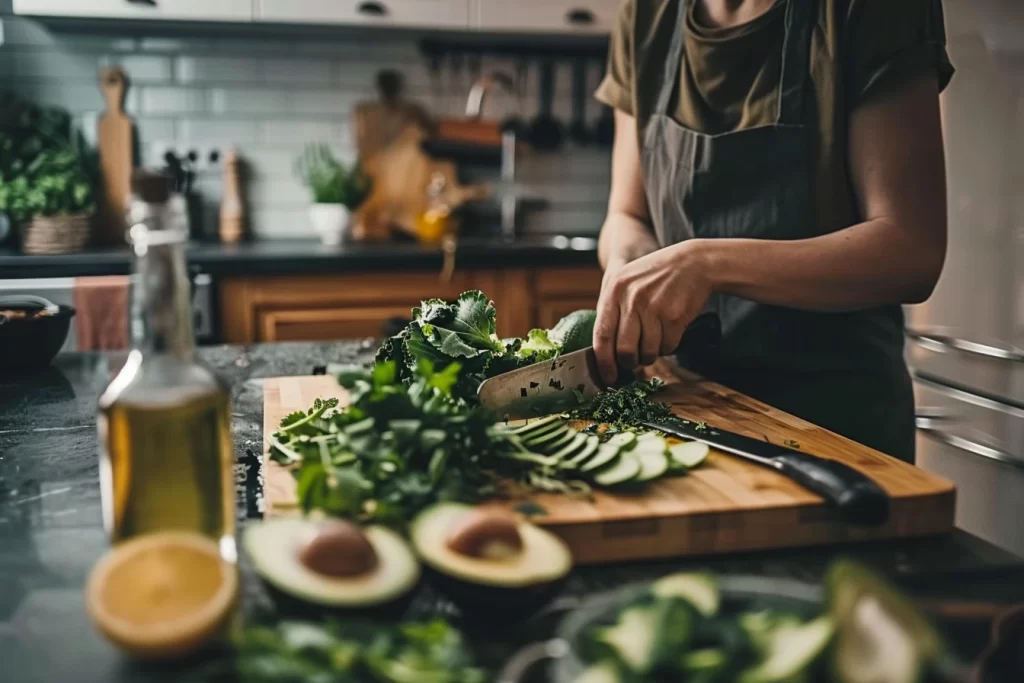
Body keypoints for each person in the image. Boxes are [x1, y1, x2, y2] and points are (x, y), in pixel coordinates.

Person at [593, 0, 954, 463]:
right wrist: (633, 272)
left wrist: (703, 264)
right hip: (689, 414)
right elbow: (626, 216)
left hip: (837, 435)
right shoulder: (645, 13)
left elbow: (911, 251)